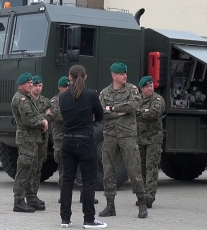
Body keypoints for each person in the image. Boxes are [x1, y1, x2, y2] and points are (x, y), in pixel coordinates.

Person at [59, 65, 106, 229]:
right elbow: (100, 115)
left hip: (67, 141)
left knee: (67, 181)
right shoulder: (91, 95)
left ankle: (65, 219)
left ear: (69, 77)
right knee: (88, 182)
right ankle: (89, 219)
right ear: (85, 77)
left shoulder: (62, 97)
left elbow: (65, 115)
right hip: (85, 142)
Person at [98, 62, 148, 219]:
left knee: (134, 170)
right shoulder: (104, 93)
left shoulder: (132, 89)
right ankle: (110, 205)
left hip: (127, 135)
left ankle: (142, 204)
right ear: (114, 75)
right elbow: (102, 114)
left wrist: (112, 109)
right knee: (108, 171)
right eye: (121, 74)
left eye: (125, 73)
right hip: (110, 135)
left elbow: (133, 106)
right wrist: (120, 112)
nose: (125, 76)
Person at [51, 76, 99, 205]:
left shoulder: (75, 97)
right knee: (64, 170)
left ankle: (85, 195)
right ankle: (64, 195)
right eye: (64, 87)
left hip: (75, 137)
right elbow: (55, 115)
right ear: (59, 88)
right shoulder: (55, 100)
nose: (67, 89)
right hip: (61, 139)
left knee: (82, 170)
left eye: (68, 86)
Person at [11, 72, 49, 213]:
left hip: (33, 139)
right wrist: (43, 122)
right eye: (29, 83)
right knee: (24, 169)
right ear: (21, 84)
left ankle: (31, 198)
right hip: (26, 139)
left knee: (33, 169)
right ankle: (19, 201)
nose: (32, 85)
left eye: (32, 82)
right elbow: (29, 120)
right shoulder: (21, 99)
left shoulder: (27, 98)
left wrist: (42, 119)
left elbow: (37, 114)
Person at [135, 76, 165, 208]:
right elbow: (131, 112)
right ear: (141, 89)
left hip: (153, 140)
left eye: (151, 85)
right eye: (147, 87)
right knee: (141, 168)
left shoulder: (157, 99)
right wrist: (142, 111)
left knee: (151, 167)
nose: (150, 88)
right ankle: (142, 195)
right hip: (140, 139)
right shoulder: (138, 100)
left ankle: (150, 196)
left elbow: (153, 113)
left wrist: (138, 113)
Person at [27, 75, 51, 211]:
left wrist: (44, 118)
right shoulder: (27, 101)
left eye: (40, 85)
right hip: (31, 139)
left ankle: (34, 195)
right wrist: (43, 119)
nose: (38, 88)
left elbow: (52, 115)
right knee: (30, 167)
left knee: (38, 168)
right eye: (36, 85)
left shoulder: (46, 102)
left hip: (43, 138)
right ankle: (28, 196)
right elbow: (30, 118)